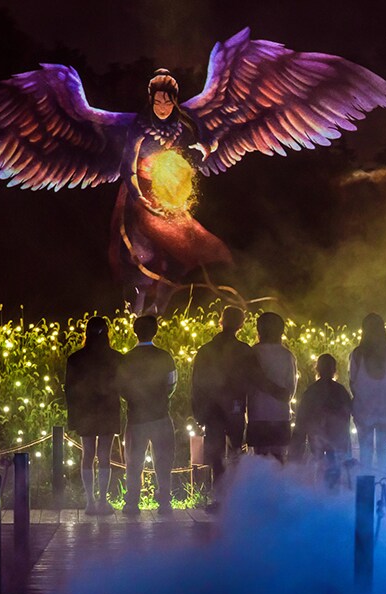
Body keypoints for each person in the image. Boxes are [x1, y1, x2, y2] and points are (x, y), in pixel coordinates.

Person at [109, 69, 233, 313]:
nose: (163, 107)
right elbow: (127, 166)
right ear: (151, 100)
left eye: (167, 102)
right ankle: (133, 314)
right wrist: (139, 198)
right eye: (158, 102)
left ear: (174, 101)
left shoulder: (185, 119)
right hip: (141, 194)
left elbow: (212, 139)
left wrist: (204, 148)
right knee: (140, 257)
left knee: (190, 254)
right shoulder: (140, 126)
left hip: (170, 192)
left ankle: (158, 312)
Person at [192, 306, 285, 511]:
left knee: (216, 454)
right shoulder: (244, 350)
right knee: (235, 451)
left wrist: (198, 408)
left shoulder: (206, 350)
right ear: (241, 325)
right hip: (234, 407)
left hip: (212, 408)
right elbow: (257, 378)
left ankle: (219, 498)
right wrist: (279, 392)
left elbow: (197, 381)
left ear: (221, 321)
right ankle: (235, 497)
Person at [117, 315, 177, 515]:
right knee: (164, 460)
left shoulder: (127, 358)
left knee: (134, 462)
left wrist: (134, 400)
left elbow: (121, 387)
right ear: (155, 331)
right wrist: (161, 398)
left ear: (135, 332)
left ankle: (132, 502)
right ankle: (165, 501)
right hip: (161, 415)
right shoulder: (164, 357)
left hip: (136, 417)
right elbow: (172, 383)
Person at [65, 317, 123, 515]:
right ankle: (103, 501)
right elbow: (122, 385)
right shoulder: (116, 358)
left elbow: (70, 390)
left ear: (86, 333)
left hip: (85, 411)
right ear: (107, 333)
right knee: (104, 456)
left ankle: (90, 502)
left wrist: (73, 418)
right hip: (108, 410)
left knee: (87, 454)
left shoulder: (75, 359)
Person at [349, 313, 386, 472]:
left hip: (364, 409)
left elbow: (352, 380)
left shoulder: (358, 354)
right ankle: (385, 481)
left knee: (365, 452)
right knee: (383, 451)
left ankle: (366, 483)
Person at [291, 354, 353, 489]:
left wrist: (298, 443)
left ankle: (321, 492)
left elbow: (301, 418)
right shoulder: (340, 391)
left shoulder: (311, 391)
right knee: (334, 468)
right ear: (334, 369)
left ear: (317, 369)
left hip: (318, 439)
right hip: (336, 439)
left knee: (319, 468)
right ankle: (332, 491)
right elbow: (349, 412)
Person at [246, 312, 297, 462]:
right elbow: (291, 389)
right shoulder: (287, 355)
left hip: (257, 415)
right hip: (280, 415)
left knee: (258, 461)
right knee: (279, 460)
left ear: (259, 330)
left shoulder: (252, 353)